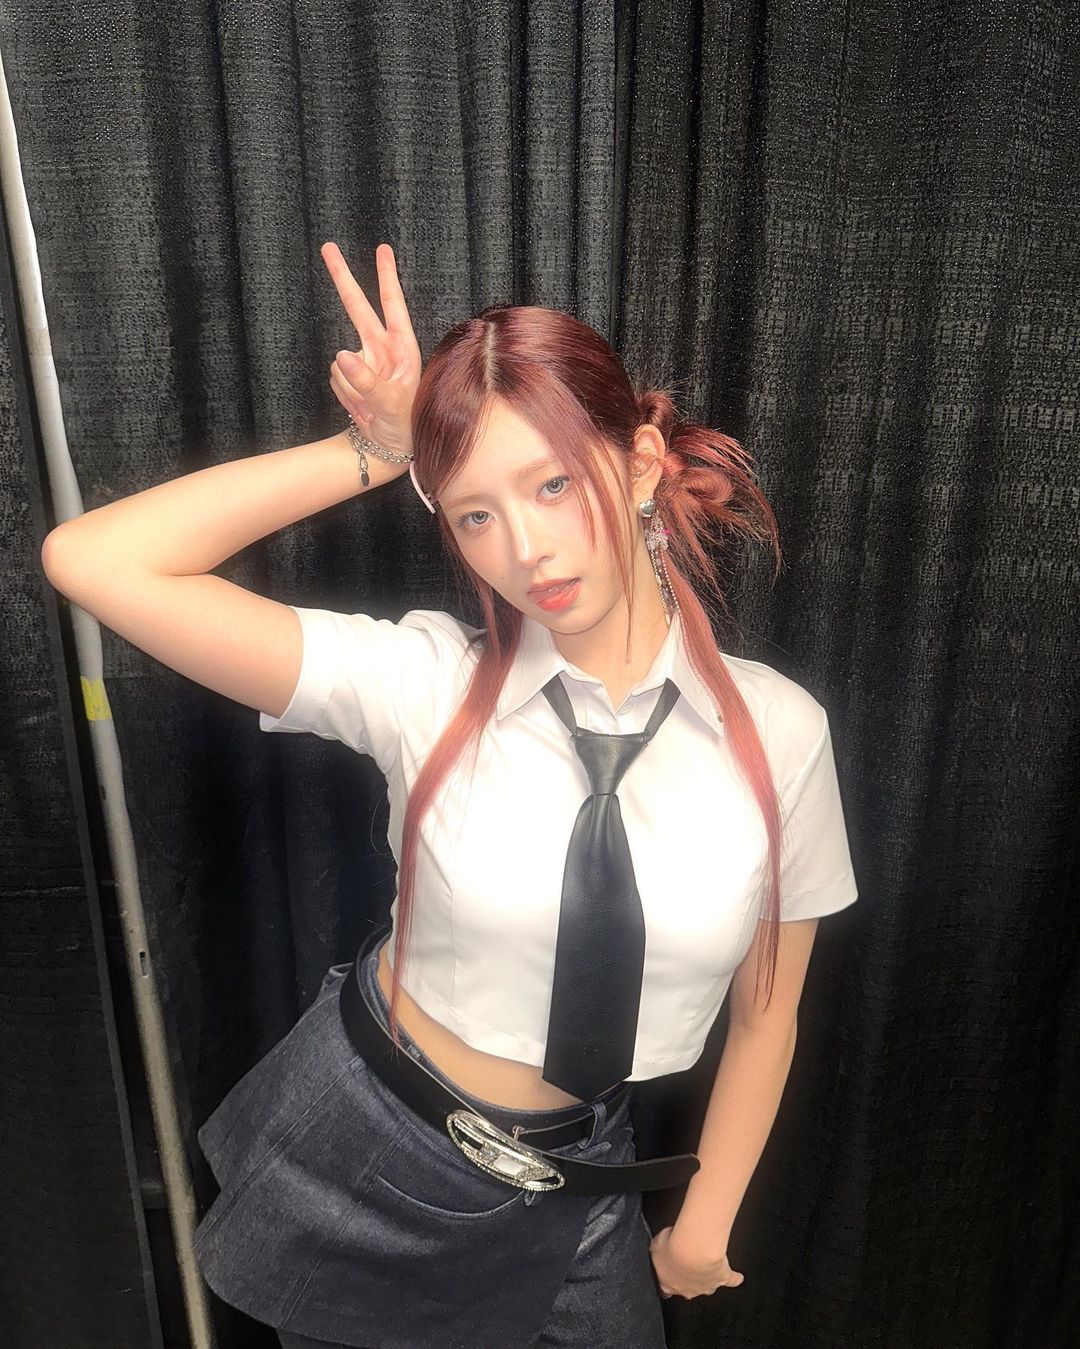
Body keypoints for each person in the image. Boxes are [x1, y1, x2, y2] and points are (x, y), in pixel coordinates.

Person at [40, 241, 859, 1349]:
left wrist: (704, 1220)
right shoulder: (422, 681)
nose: (524, 549)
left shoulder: (781, 734)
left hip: (581, 1183)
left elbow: (767, 1010)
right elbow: (95, 559)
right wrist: (374, 451)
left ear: (640, 461)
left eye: (553, 485)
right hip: (372, 1150)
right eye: (474, 513)